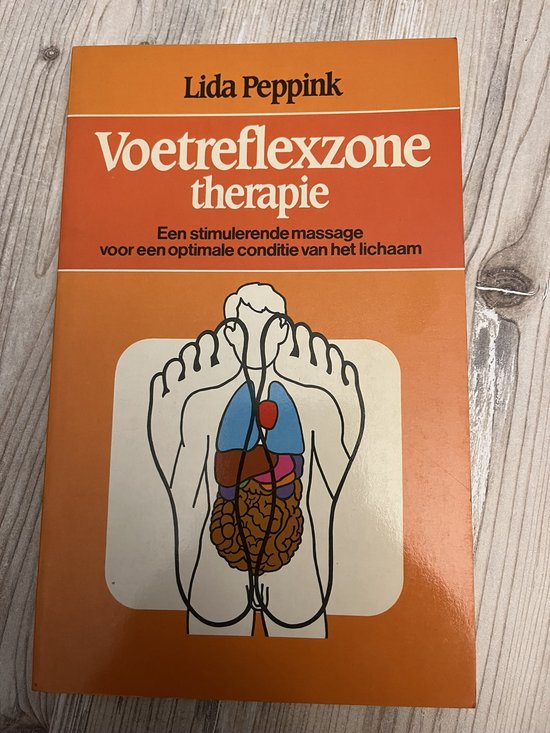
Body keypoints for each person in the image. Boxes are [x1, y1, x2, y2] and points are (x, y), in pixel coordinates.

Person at [148, 283, 363, 638]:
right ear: (229, 335)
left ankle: (331, 469)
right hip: (226, 527)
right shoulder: (206, 402)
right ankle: (185, 482)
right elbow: (218, 475)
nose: (256, 340)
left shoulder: (301, 399)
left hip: (288, 531)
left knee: (298, 619)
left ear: (283, 332)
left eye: (271, 325)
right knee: (212, 621)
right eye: (240, 327)